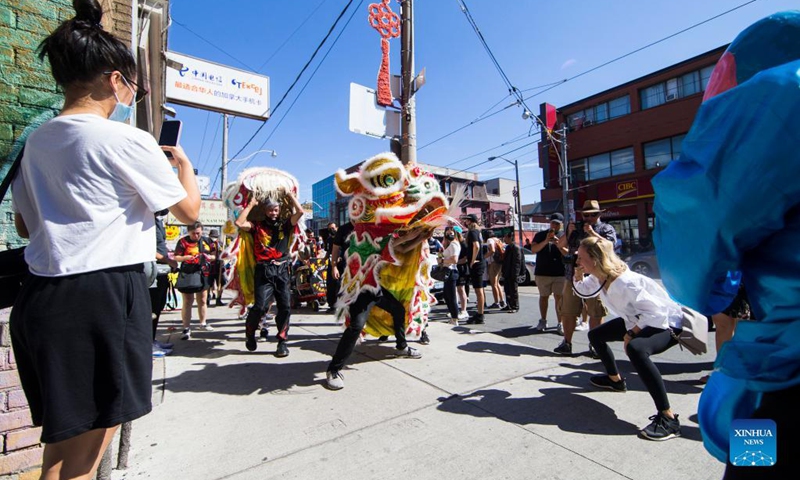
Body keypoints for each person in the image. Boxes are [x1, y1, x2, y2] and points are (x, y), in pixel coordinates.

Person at [8, 0, 200, 475]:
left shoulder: (34, 142)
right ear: (115, 80)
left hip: (40, 295)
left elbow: (25, 227)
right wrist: (185, 166)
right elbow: (190, 212)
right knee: (90, 447)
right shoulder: (124, 139)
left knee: (61, 441)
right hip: (104, 297)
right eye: (132, 84)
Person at [652, 14, 800, 475]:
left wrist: (719, 290)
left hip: (781, 366)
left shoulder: (783, 91)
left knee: (751, 463)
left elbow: (697, 221)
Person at [576, 237, 683, 441]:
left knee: (636, 349)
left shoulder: (626, 282)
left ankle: (668, 418)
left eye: (581, 258)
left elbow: (658, 314)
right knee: (595, 335)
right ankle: (614, 380)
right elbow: (583, 291)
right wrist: (577, 274)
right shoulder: (599, 277)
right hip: (637, 319)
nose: (578, 260)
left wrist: (631, 333)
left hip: (667, 323)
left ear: (596, 260)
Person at [235, 192, 304, 357]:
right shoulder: (257, 226)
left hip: (282, 271)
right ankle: (250, 333)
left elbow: (300, 212)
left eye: (276, 210)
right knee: (260, 307)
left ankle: (282, 341)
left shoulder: (285, 225)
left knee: (285, 307)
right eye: (270, 210)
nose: (273, 213)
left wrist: (290, 196)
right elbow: (239, 222)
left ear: (279, 210)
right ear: (265, 211)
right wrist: (251, 204)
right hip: (264, 271)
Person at [554, 200, 617, 356]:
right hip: (573, 275)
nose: (589, 218)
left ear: (599, 214)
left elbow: (610, 245)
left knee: (595, 312)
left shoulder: (605, 228)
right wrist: (568, 232)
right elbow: (560, 245)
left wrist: (592, 233)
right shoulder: (576, 229)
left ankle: (595, 345)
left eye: (593, 215)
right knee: (568, 311)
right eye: (586, 215)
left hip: (597, 277)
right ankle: (566, 343)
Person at [174, 222, 216, 339]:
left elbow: (215, 255)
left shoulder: (208, 241)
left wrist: (210, 257)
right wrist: (185, 258)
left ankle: (203, 323)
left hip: (204, 273)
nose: (196, 236)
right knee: (188, 301)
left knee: (202, 299)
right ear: (189, 232)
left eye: (198, 233)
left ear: (202, 231)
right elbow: (176, 256)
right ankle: (186, 328)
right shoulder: (183, 242)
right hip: (188, 272)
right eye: (193, 234)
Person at [530, 213, 566, 333]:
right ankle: (543, 320)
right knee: (543, 297)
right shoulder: (540, 235)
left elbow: (567, 253)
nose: (554, 225)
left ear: (561, 224)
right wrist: (546, 241)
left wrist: (557, 243)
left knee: (559, 298)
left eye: (557, 223)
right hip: (542, 272)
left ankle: (560, 322)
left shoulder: (564, 236)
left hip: (560, 273)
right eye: (552, 222)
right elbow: (533, 249)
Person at [150, 210, 178, 357]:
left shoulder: (157, 221)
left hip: (162, 271)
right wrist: (168, 260)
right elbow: (148, 248)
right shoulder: (148, 221)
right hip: (153, 271)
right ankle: (148, 343)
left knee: (158, 306)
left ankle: (152, 340)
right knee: (152, 309)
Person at [463, 214, 487, 324]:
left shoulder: (473, 232)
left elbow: (476, 246)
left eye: (466, 220)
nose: (465, 222)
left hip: (476, 264)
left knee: (478, 289)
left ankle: (480, 315)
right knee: (479, 289)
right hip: (480, 263)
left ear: (470, 221)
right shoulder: (478, 231)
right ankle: (480, 313)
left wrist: (472, 260)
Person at [328, 220, 354, 313]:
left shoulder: (365, 226)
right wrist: (334, 267)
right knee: (346, 294)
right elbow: (335, 249)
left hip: (363, 268)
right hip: (346, 267)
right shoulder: (343, 229)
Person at [438, 225, 461, 324]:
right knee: (447, 296)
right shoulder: (450, 245)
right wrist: (440, 255)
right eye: (447, 233)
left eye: (451, 233)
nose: (449, 234)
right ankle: (453, 316)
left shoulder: (454, 244)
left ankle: (455, 318)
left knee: (451, 296)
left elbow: (455, 260)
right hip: (447, 271)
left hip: (451, 272)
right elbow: (442, 255)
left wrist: (442, 261)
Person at [501, 231, 522, 313]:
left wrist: (515, 273)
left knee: (513, 290)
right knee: (507, 290)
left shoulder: (515, 248)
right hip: (507, 272)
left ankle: (515, 306)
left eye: (506, 237)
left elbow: (517, 262)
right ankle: (508, 305)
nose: (504, 239)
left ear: (510, 238)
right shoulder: (508, 247)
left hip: (512, 273)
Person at [484, 230, 505, 309]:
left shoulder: (490, 240)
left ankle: (496, 302)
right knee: (497, 283)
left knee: (494, 284)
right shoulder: (498, 240)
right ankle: (502, 301)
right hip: (499, 262)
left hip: (493, 262)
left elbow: (492, 250)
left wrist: (484, 257)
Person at [207, 228, 226, 307]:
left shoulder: (221, 244)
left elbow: (224, 254)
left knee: (222, 283)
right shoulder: (207, 243)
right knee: (208, 284)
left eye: (215, 236)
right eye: (212, 236)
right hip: (210, 266)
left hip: (219, 266)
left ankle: (218, 299)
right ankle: (207, 299)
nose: (214, 238)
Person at [455, 225, 470, 320]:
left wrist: (455, 262)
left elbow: (465, 259)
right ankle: (456, 310)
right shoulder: (455, 243)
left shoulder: (463, 244)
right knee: (457, 290)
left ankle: (464, 310)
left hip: (462, 269)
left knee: (461, 289)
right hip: (457, 268)